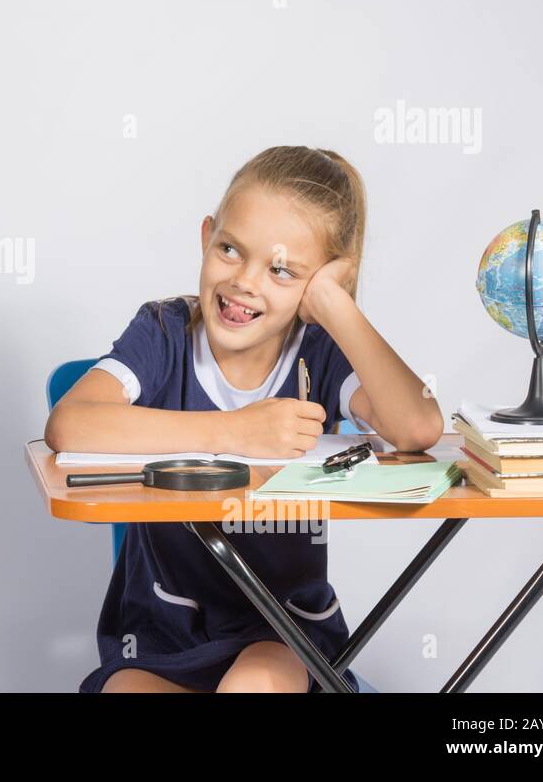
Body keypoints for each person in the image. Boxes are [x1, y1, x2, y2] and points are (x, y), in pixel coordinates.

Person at [44, 146, 443, 692]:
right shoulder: (164, 331)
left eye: (283, 270)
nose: (246, 282)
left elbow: (418, 428)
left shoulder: (318, 352)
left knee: (253, 683)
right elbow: (71, 423)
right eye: (230, 249)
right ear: (207, 235)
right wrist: (233, 432)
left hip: (284, 635)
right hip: (162, 633)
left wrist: (336, 306)